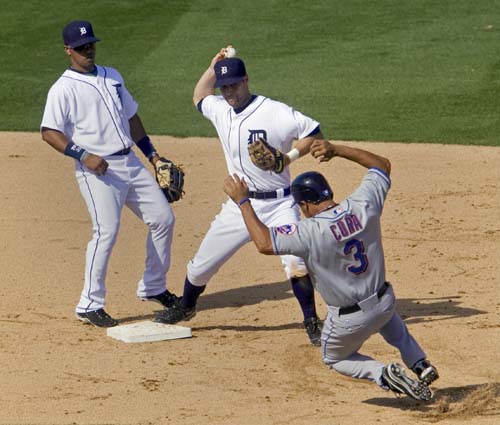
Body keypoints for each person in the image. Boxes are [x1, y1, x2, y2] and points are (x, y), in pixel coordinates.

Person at [221, 139, 439, 401]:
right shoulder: (362, 205)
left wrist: (243, 201)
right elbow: (381, 165)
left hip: (349, 321)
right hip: (384, 301)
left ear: (305, 205)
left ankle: (383, 374)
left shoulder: (308, 231)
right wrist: (337, 150)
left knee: (335, 357)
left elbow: (264, 243)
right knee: (387, 316)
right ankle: (420, 363)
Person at [154, 47, 323, 345]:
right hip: (238, 206)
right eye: (224, 86)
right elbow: (198, 96)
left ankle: (311, 320)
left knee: (295, 262)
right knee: (200, 266)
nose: (229, 91)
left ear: (246, 80)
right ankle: (187, 306)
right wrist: (211, 67)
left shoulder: (275, 112)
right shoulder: (221, 109)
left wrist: (288, 158)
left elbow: (314, 131)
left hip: (280, 204)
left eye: (234, 84)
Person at [40, 20, 180, 327]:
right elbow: (49, 132)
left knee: (163, 218)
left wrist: (153, 156)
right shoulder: (62, 88)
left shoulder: (112, 75)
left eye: (90, 44)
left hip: (130, 161)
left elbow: (131, 117)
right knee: (106, 232)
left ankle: (154, 286)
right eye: (80, 47)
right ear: (68, 51)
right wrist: (83, 155)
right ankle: (89, 303)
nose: (87, 51)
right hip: (97, 170)